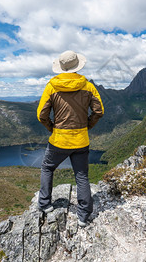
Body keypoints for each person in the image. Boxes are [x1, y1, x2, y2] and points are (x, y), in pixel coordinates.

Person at [37, 50, 104, 227]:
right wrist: (88, 125)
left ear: (61, 67)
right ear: (77, 65)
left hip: (59, 140)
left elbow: (41, 115)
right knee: (81, 176)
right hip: (81, 140)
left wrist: (52, 128)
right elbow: (99, 111)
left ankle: (44, 204)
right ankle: (83, 216)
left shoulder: (52, 86)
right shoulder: (88, 86)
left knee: (47, 168)